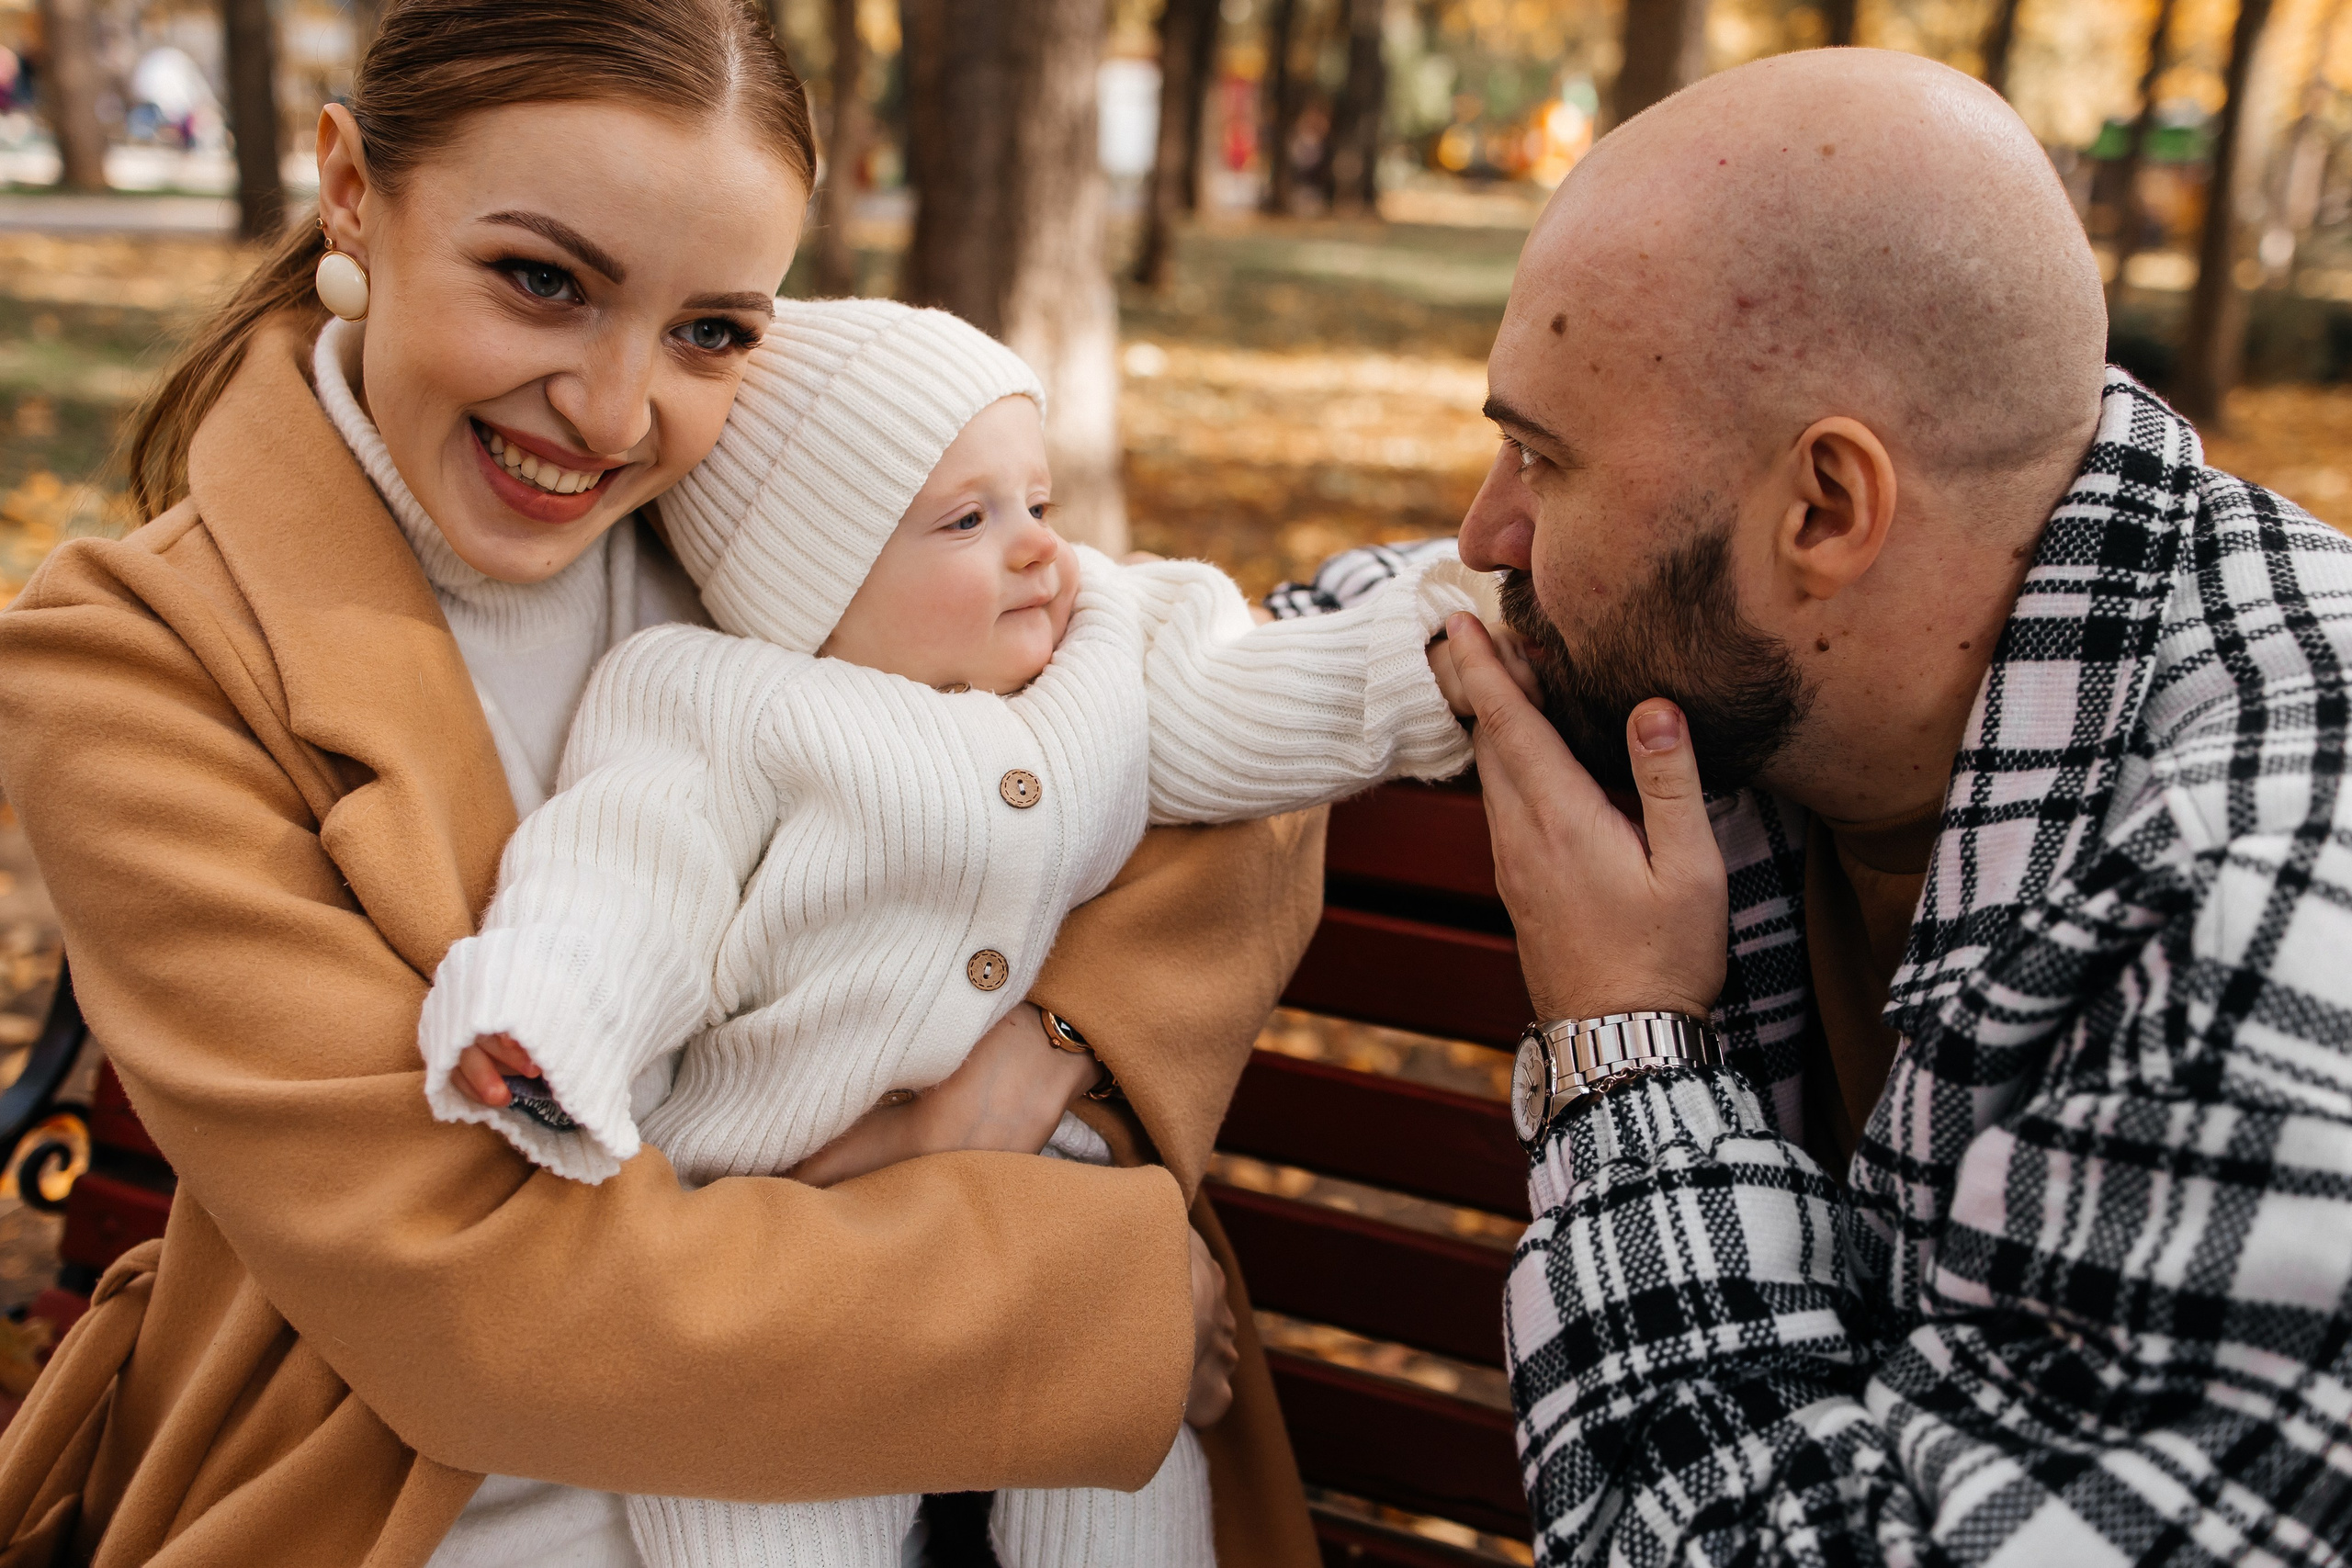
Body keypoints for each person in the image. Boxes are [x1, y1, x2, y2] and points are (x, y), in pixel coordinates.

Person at [0, 5, 1326, 1565]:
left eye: (711, 328)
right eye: (542, 282)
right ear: (351, 189)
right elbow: (478, 1295)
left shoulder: (772, 512)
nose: (616, 414)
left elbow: (1200, 725)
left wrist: (1036, 1057)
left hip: (911, 1494)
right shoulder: (136, 662)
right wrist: (1060, 1299)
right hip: (420, 1511)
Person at [1440, 50, 2352, 1563]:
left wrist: (1625, 1056)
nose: (1484, 529)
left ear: (1825, 511)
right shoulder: (1814, 643)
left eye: (1541, 456)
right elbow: (1356, 615)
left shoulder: (2267, 919)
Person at [419, 298, 1482, 1567]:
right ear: (816, 579)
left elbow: (1254, 692)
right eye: (968, 521)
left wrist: (1447, 651)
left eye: (1039, 499)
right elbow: (622, 871)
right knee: (770, 1518)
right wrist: (546, 1016)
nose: (1038, 549)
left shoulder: (1096, 656)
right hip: (795, 1266)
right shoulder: (718, 704)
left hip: (1065, 1252)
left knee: (1125, 1512)